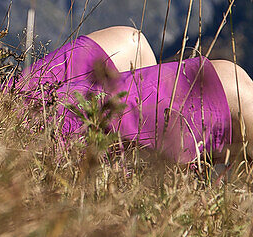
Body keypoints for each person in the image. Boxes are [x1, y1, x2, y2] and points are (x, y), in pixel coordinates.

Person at [18, 24, 253, 162]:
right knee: (235, 86)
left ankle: (156, 156)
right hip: (48, 132)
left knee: (132, 41)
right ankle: (147, 160)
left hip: (23, 100)